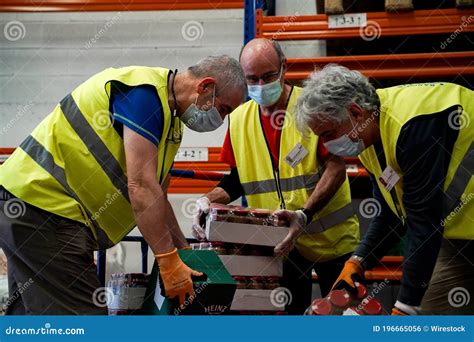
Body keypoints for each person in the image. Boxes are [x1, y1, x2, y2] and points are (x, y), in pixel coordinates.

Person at [0, 55, 248, 314]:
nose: (221, 119)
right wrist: (167, 261)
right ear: (205, 87)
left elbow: (157, 196)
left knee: (29, 319)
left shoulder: (171, 120)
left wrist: (182, 253)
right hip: (42, 209)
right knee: (83, 323)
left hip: (31, 207)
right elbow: (140, 186)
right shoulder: (143, 95)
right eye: (223, 109)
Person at [192, 39, 360, 314]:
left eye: (268, 76)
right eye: (252, 79)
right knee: (289, 319)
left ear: (284, 68)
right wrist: (206, 200)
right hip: (281, 247)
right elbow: (236, 180)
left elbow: (336, 168)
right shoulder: (238, 119)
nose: (260, 85)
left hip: (333, 242)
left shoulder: (312, 108)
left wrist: (303, 215)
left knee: (345, 317)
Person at [295, 64, 473, 315]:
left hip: (445, 229)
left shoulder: (413, 125)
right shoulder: (369, 138)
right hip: (457, 238)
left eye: (328, 134)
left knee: (420, 312)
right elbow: (392, 213)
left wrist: (405, 307)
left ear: (356, 113)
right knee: (436, 316)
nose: (326, 145)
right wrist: (358, 260)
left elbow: (424, 221)